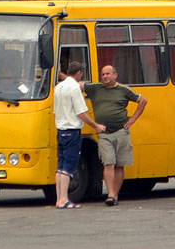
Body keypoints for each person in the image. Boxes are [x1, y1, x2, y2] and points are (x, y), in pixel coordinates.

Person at [85, 64, 148, 207]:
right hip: (104, 133)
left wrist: (132, 120)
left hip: (121, 131)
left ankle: (115, 194)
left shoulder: (123, 90)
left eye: (108, 74)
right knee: (109, 162)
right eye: (103, 74)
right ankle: (110, 194)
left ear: (115, 75)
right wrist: (62, 74)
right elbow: (77, 84)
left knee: (120, 165)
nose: (105, 77)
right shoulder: (95, 89)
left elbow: (143, 100)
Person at [52, 61, 98, 209]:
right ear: (79, 73)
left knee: (60, 166)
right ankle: (64, 199)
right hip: (72, 130)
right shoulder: (74, 88)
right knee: (69, 166)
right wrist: (95, 125)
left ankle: (59, 199)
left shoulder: (58, 87)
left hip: (61, 130)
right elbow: (81, 112)